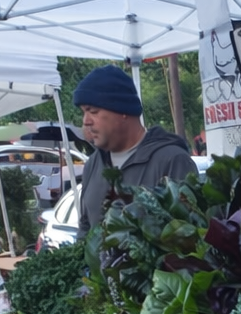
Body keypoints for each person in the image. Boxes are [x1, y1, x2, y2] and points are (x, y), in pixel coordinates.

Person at [72, 64, 197, 234]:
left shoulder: (172, 160)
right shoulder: (92, 165)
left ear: (123, 110)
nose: (86, 121)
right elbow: (85, 229)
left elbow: (190, 234)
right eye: (83, 113)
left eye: (93, 111)